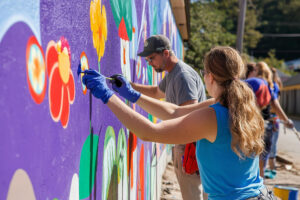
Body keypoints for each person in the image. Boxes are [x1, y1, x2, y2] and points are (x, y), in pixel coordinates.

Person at [82, 46, 277, 199]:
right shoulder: (241, 106)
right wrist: (133, 96)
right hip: (259, 196)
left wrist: (107, 96)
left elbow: (150, 132)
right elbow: (176, 112)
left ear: (210, 76)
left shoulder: (212, 116)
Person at [131, 34, 207, 200]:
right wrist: (129, 87)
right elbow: (156, 93)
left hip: (191, 146)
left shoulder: (182, 77)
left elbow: (188, 116)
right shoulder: (172, 74)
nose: (150, 63)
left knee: (193, 196)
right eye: (148, 60)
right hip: (187, 145)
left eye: (152, 58)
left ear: (165, 53)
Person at [245, 61, 293, 178]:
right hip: (264, 124)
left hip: (250, 123)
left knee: (249, 154)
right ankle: (260, 180)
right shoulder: (270, 85)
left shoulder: (251, 82)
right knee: (262, 154)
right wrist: (286, 121)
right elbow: (275, 105)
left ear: (256, 71)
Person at [264, 67, 283, 179]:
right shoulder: (276, 84)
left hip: (273, 118)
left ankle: (272, 169)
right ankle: (271, 169)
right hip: (275, 118)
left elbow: (274, 105)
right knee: (272, 146)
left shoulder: (272, 86)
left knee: (270, 146)